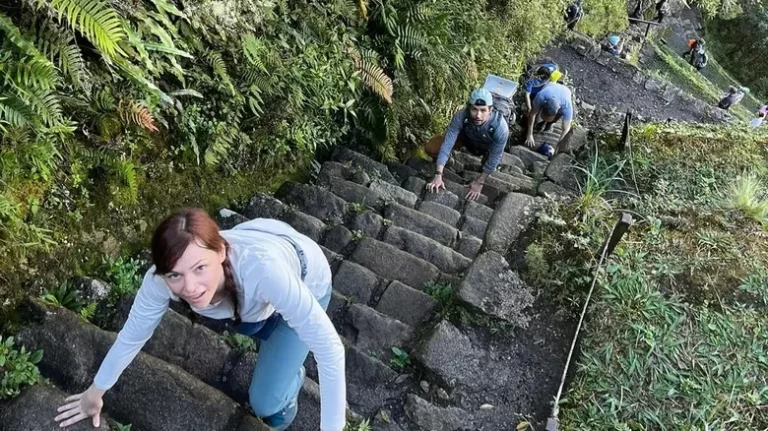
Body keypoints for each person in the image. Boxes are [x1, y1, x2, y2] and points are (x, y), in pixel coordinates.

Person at [55, 209, 346, 431]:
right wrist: (95, 392)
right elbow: (133, 334)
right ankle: (277, 352)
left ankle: (287, 379)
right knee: (249, 321)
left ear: (219, 251)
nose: (190, 287)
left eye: (199, 268)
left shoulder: (264, 272)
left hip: (305, 277)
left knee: (266, 402)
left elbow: (330, 349)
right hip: (259, 254)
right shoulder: (161, 278)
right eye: (175, 275)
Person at [425, 88, 509, 200]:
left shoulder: (500, 128)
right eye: (474, 109)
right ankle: (447, 161)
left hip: (487, 148)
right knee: (432, 148)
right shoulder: (461, 116)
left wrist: (479, 182)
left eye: (483, 110)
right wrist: (438, 174)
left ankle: (482, 171)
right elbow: (447, 143)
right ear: (469, 108)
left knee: (489, 165)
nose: (478, 115)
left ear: (490, 110)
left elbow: (495, 157)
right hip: (466, 140)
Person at [524, 82, 574, 149]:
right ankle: (541, 124)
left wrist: (557, 147)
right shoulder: (541, 96)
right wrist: (529, 134)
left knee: (560, 117)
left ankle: (549, 123)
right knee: (535, 113)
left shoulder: (566, 106)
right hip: (550, 87)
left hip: (565, 92)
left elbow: (566, 129)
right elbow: (532, 114)